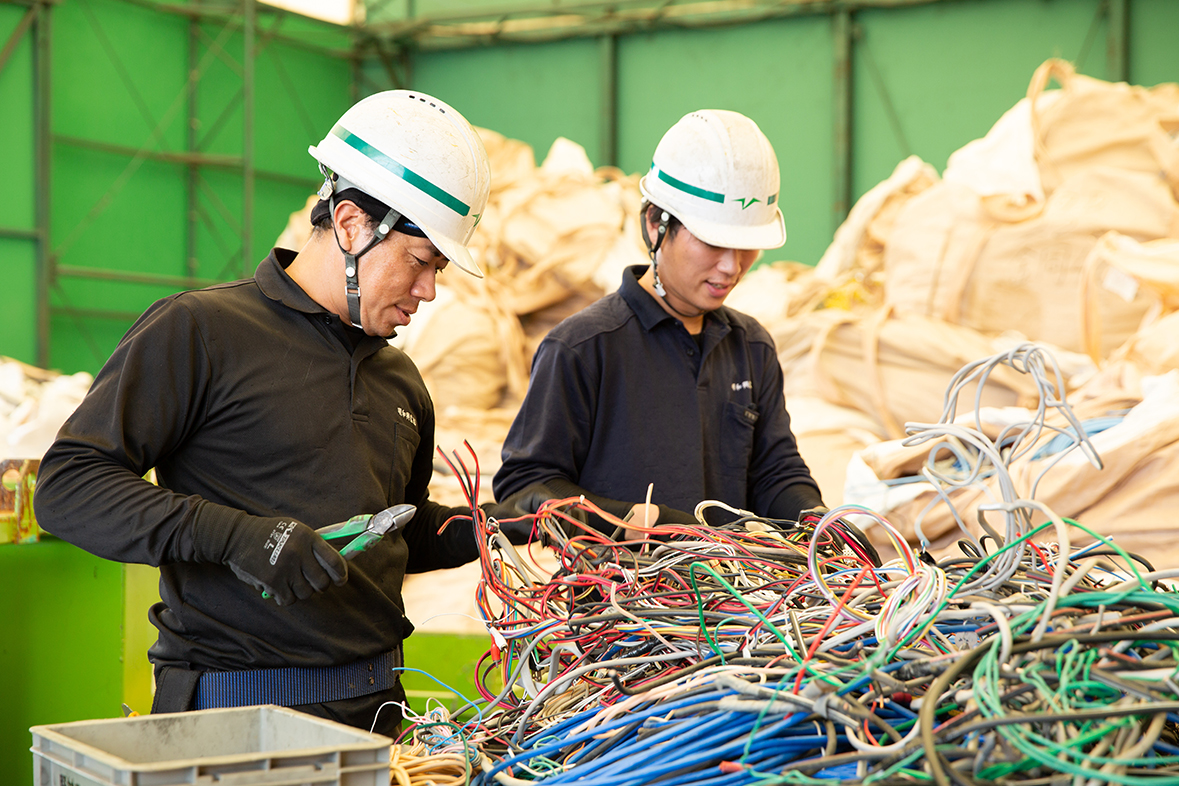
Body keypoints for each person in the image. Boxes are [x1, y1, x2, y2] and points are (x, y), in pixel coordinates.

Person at [34, 90, 510, 735]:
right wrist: (237, 537)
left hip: (377, 714)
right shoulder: (203, 331)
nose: (429, 291)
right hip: (236, 716)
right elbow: (69, 487)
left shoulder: (398, 378)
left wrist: (479, 530)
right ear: (350, 224)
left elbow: (384, 529)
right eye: (420, 262)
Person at [494, 109, 825, 536]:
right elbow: (527, 488)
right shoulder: (584, 347)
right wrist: (647, 524)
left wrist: (820, 523)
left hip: (738, 596)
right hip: (618, 598)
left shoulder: (750, 346)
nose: (732, 266)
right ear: (655, 224)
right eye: (714, 242)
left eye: (747, 246)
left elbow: (775, 472)